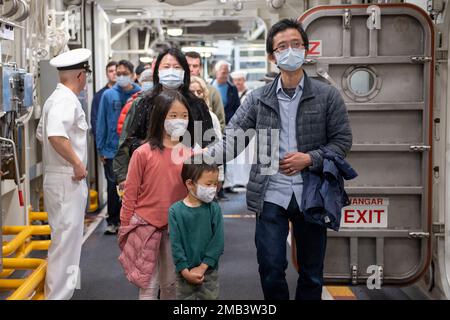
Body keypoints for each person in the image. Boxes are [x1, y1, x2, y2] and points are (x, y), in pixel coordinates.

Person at [207, 18, 352, 300]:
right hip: (270, 194)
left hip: (312, 193)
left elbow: (342, 142)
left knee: (311, 272)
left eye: (296, 45)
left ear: (306, 50)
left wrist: (310, 158)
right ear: (272, 56)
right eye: (282, 46)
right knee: (271, 268)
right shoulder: (258, 98)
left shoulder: (327, 97)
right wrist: (196, 157)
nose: (290, 51)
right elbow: (232, 140)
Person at [118, 90, 193, 300]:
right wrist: (125, 227)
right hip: (144, 226)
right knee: (147, 285)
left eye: (184, 116)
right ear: (160, 117)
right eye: (173, 115)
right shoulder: (142, 153)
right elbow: (130, 193)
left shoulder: (190, 154)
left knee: (171, 284)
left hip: (176, 229)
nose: (180, 121)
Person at [113, 48, 215, 190]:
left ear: (184, 71)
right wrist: (123, 176)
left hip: (189, 177)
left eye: (177, 67)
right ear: (158, 71)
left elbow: (209, 142)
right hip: (150, 175)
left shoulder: (197, 105)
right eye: (166, 67)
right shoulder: (143, 102)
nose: (171, 71)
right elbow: (127, 140)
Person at [36, 48, 92, 300]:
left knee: (66, 241)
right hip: (67, 178)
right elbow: (55, 136)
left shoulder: (54, 99)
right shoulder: (65, 101)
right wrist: (77, 163)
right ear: (81, 76)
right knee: (65, 243)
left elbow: (41, 134)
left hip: (60, 177)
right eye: (86, 76)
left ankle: (63, 292)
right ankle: (57, 296)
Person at [169, 157, 224, 300]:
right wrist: (185, 271)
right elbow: (176, 245)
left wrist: (203, 267)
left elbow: (218, 242)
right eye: (208, 184)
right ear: (190, 184)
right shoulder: (175, 211)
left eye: (215, 184)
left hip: (209, 273)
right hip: (183, 274)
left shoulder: (214, 209)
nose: (213, 188)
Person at [96, 60, 141, 235]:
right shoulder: (108, 95)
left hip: (134, 150)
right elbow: (101, 124)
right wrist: (101, 149)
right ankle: (113, 220)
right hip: (111, 149)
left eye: (124, 73)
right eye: (118, 73)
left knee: (136, 186)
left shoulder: (140, 94)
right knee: (114, 187)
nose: (120, 76)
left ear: (132, 74)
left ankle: (133, 219)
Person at [189, 76, 225, 198]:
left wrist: (219, 176)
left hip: (205, 170)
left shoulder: (211, 117)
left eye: (199, 92)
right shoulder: (181, 116)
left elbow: (218, 146)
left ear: (204, 94)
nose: (195, 95)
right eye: (191, 92)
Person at [185, 51, 225, 131]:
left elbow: (221, 122)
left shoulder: (212, 92)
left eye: (195, 66)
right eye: (188, 65)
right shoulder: (178, 90)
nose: (191, 69)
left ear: (200, 68)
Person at [117, 68, 153, 137]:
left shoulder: (160, 101)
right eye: (145, 80)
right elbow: (121, 128)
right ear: (140, 82)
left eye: (151, 80)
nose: (149, 83)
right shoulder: (132, 102)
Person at [91, 61, 117, 141]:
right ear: (106, 74)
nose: (114, 73)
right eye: (111, 71)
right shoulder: (99, 96)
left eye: (116, 70)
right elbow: (95, 119)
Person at [212, 60, 240, 125]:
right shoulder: (209, 87)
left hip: (228, 123)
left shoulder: (232, 89)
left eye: (227, 73)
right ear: (217, 72)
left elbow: (237, 108)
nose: (226, 75)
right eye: (223, 73)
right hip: (212, 123)